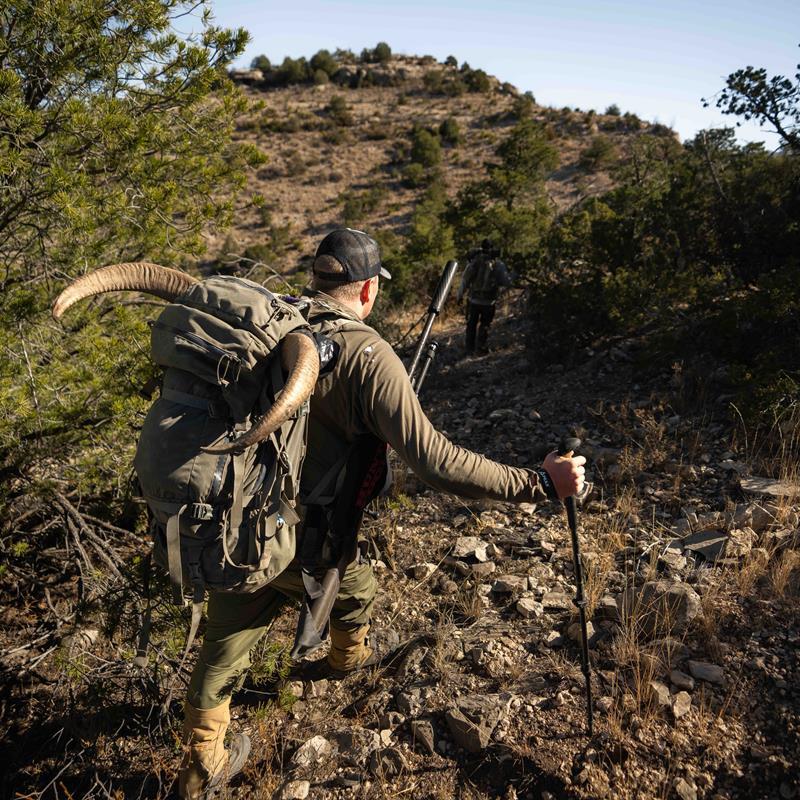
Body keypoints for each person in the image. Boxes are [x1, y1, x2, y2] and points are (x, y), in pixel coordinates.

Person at [179, 228, 585, 798]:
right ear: (368, 289)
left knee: (223, 643)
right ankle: (347, 662)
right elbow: (438, 462)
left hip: (242, 528)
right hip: (311, 543)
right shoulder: (369, 356)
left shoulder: (275, 326)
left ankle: (201, 765)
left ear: (318, 278)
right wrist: (539, 482)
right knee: (358, 589)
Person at [456, 238, 513, 354]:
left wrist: (459, 296)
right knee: (485, 325)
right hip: (489, 301)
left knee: (471, 325)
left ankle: (469, 349)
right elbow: (506, 281)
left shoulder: (474, 262)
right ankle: (481, 348)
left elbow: (465, 281)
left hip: (473, 300)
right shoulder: (498, 264)